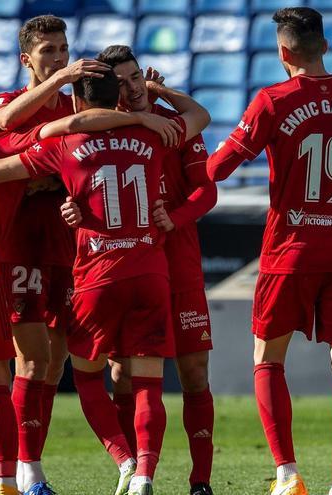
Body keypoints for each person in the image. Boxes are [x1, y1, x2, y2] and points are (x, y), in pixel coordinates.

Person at [0, 103, 161, 495]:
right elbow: (45, 139)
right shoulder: (13, 130)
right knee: (12, 370)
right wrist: (138, 117)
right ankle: (17, 478)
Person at [0, 68, 211, 495]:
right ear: (117, 98)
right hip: (150, 273)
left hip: (98, 277)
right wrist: (150, 102)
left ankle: (124, 459)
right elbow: (200, 116)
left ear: (77, 101)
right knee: (149, 383)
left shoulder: (65, 142)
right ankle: (145, 474)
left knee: (86, 378)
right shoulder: (153, 134)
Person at [205, 7, 332, 495]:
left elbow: (217, 169)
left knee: (268, 359)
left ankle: (287, 474)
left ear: (283, 52)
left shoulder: (272, 101)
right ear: (325, 46)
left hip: (290, 252)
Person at [60, 45, 219, 495]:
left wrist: (175, 217)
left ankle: (200, 482)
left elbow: (206, 191)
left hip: (177, 265)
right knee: (122, 375)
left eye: (137, 78)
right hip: (131, 266)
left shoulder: (168, 124)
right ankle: (134, 474)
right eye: (124, 81)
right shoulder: (107, 132)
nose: (133, 88)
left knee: (194, 370)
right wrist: (74, 209)